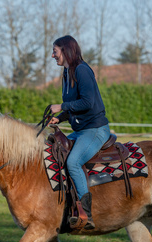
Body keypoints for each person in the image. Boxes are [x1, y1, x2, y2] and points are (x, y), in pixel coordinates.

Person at [49, 35, 110, 230]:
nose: (52, 55)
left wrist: (61, 106)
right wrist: (61, 117)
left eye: (55, 51)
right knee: (52, 149)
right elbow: (76, 107)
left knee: (73, 162)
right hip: (81, 130)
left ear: (65, 51)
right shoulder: (67, 73)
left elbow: (88, 102)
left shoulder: (83, 71)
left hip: (95, 130)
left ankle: (86, 214)